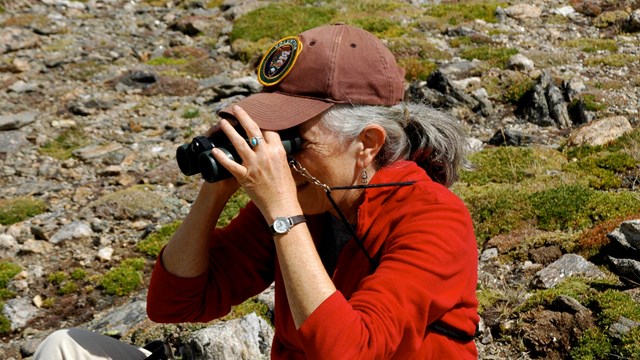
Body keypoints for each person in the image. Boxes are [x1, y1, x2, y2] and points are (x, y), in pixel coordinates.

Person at [35, 23, 479, 359]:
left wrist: (283, 210)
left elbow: (350, 349)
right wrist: (217, 188)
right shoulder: (307, 200)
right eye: (269, 131)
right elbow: (175, 303)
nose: (275, 158)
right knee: (63, 348)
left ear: (366, 145)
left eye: (293, 140)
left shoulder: (434, 219)